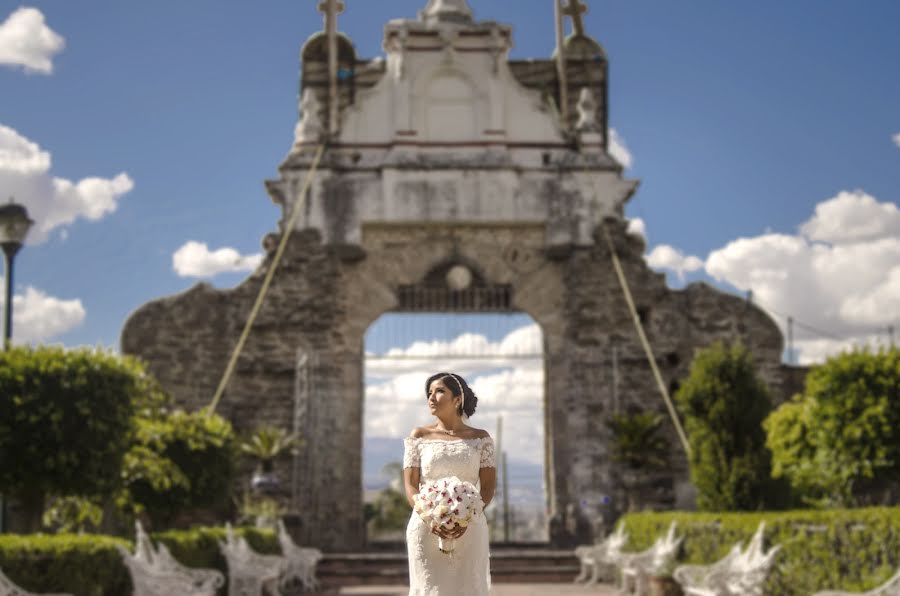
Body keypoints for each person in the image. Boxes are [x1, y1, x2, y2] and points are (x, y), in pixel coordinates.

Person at [403, 372, 496, 595]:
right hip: (425, 528)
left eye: (439, 391)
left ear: (457, 399)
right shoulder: (418, 435)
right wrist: (430, 517)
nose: (431, 398)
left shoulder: (481, 439)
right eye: (429, 393)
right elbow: (411, 485)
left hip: (470, 528)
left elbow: (488, 488)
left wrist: (464, 519)